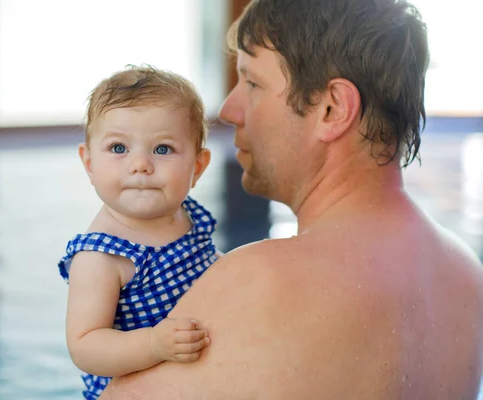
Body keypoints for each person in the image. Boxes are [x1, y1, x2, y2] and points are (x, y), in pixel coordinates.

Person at [99, 0, 483, 398]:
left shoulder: (260, 283)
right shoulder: (465, 277)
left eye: (252, 83)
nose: (229, 110)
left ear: (332, 109)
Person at [57, 65, 219, 399]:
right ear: (89, 163)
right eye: (119, 148)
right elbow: (85, 346)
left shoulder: (190, 218)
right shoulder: (102, 256)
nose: (140, 164)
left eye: (162, 149)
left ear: (198, 167)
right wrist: (153, 344)